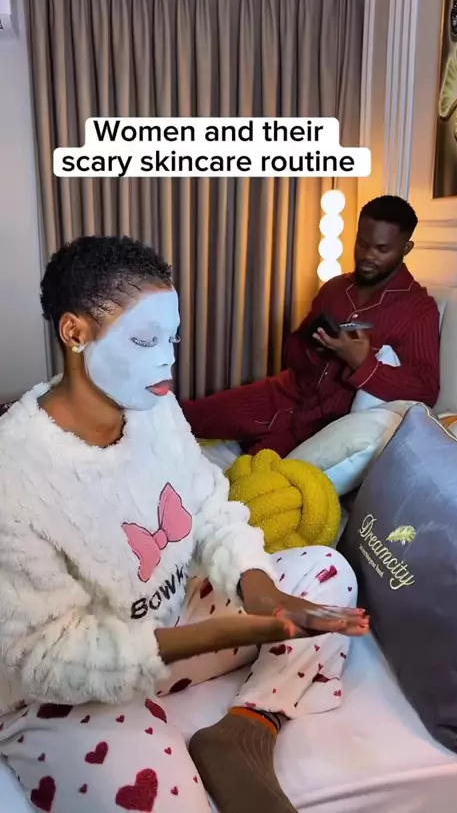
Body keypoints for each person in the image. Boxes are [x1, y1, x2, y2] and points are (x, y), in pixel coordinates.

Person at [0, 235, 369, 813]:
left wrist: (261, 592)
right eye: (144, 341)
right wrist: (226, 634)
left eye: (171, 338)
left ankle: (248, 726)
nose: (167, 361)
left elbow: (209, 507)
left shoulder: (155, 408)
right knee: (155, 794)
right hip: (69, 685)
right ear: (75, 334)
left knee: (328, 572)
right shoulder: (15, 473)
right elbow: (41, 657)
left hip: (172, 625)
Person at [183, 195, 441, 457]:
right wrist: (315, 346)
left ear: (406, 248)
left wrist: (362, 362)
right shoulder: (335, 288)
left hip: (324, 425)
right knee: (186, 416)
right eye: (362, 244)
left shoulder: (418, 309)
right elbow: (292, 351)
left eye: (381, 249)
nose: (367, 256)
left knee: (251, 469)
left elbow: (426, 389)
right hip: (285, 394)